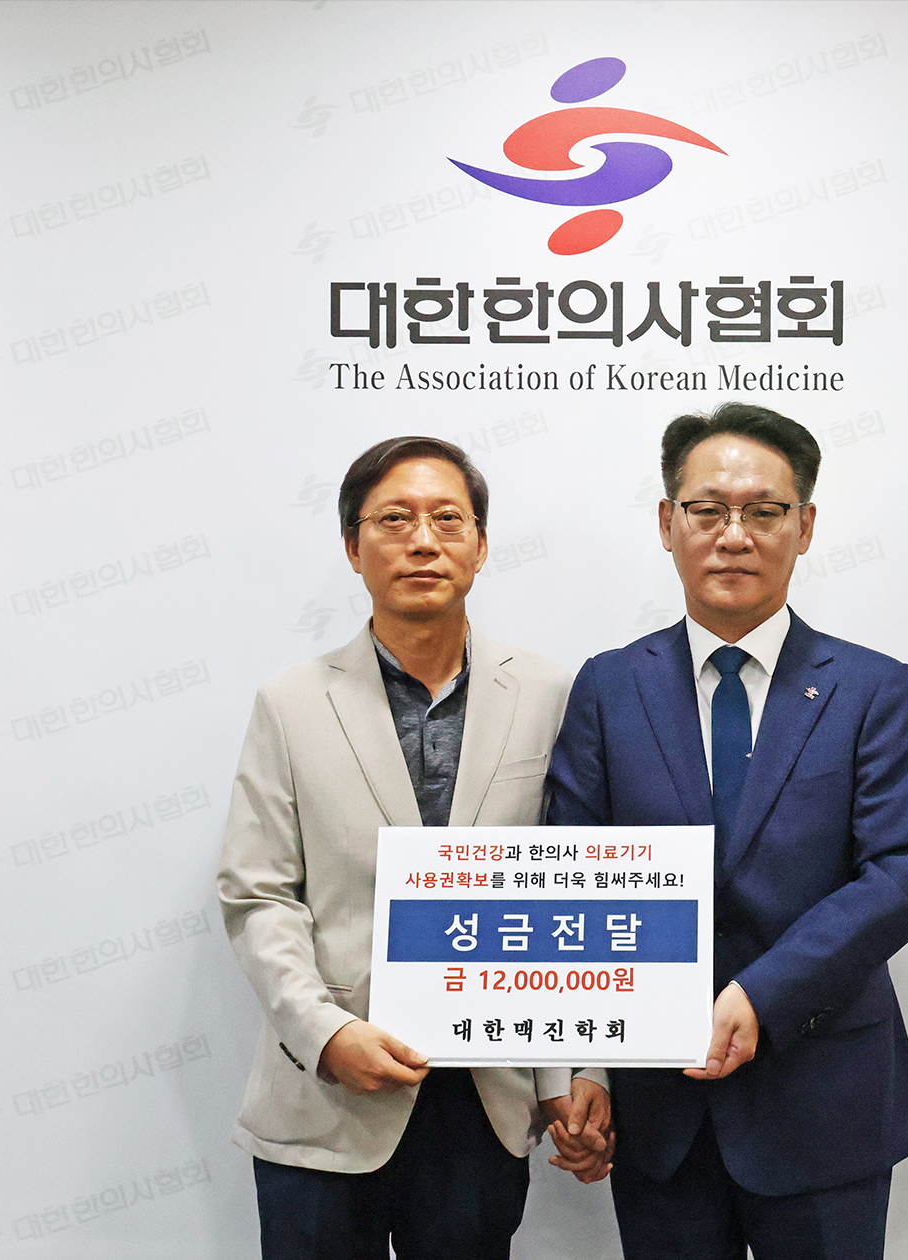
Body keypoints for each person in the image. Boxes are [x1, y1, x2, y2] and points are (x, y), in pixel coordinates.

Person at [545, 403, 908, 1259]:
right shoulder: (609, 688)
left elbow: (904, 872)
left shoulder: (874, 689)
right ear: (667, 523)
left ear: (805, 526)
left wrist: (763, 993)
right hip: (658, 1107)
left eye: (764, 511)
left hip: (823, 1096)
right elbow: (568, 878)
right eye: (708, 510)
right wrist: (583, 1065)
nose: (734, 536)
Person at [217, 436, 612, 1260]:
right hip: (328, 1096)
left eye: (447, 520)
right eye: (394, 519)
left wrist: (574, 1074)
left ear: (481, 544)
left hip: (483, 1097)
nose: (423, 541)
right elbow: (259, 895)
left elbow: (569, 894)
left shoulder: (549, 693)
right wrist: (325, 1033)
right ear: (352, 546)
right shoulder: (291, 702)